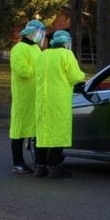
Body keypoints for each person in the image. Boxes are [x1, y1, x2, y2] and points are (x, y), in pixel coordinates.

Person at [34, 29, 85, 178]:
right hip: (59, 100)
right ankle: (55, 167)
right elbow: (75, 76)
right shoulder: (66, 55)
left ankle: (40, 166)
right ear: (65, 42)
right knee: (58, 132)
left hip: (42, 100)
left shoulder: (43, 55)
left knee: (42, 132)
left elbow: (37, 73)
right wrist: (82, 77)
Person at [8, 19, 45, 174]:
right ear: (30, 33)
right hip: (23, 95)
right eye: (38, 33)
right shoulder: (18, 49)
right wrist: (38, 71)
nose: (40, 36)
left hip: (36, 93)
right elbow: (23, 70)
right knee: (20, 128)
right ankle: (18, 162)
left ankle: (39, 160)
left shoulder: (36, 49)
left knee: (35, 127)